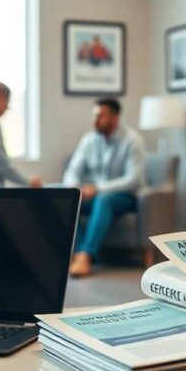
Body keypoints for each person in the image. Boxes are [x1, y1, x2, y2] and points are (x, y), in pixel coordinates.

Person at [63, 97, 146, 277]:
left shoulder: (133, 141)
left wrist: (98, 188)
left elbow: (134, 179)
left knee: (103, 199)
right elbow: (72, 171)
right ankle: (78, 253)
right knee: (66, 199)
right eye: (94, 115)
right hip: (92, 196)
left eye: (101, 116)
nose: (95, 120)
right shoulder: (88, 140)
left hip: (124, 197)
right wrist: (75, 189)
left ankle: (86, 255)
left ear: (115, 118)